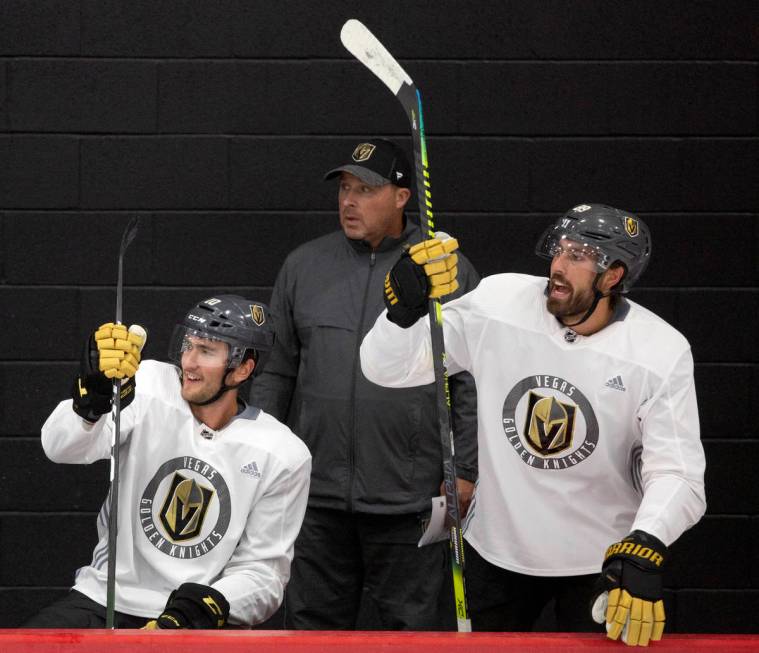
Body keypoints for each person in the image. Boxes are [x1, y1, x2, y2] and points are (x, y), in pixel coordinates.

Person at [361, 204, 706, 646]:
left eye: (579, 256)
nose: (558, 267)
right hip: (494, 553)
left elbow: (678, 473)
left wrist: (647, 541)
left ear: (614, 276)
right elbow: (386, 369)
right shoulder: (499, 302)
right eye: (559, 250)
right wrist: (401, 316)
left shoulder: (660, 351)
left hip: (597, 560)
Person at [249, 138, 480, 630]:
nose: (349, 202)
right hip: (316, 496)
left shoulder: (444, 269)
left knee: (410, 632)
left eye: (366, 190)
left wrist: (465, 469)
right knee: (311, 629)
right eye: (345, 189)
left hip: (410, 497)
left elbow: (469, 381)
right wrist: (259, 456)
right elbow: (277, 370)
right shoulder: (304, 266)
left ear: (401, 197)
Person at [27, 295, 311, 628]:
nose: (189, 362)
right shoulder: (148, 385)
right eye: (187, 345)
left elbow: (263, 573)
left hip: (195, 620)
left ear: (244, 368)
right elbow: (59, 447)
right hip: (107, 598)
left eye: (206, 351)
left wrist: (200, 610)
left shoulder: (283, 453)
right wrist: (89, 407)